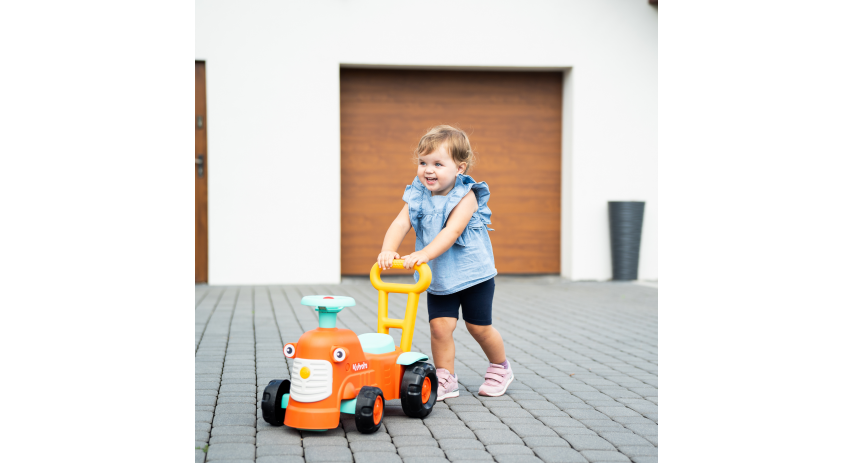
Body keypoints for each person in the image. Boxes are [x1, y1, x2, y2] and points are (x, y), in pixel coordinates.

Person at [376, 125, 513, 400]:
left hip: (474, 274)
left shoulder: (466, 195)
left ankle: (501, 367)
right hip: (440, 276)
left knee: (478, 326)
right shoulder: (417, 194)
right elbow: (401, 222)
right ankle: (446, 377)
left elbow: (451, 232)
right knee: (440, 328)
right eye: (423, 162)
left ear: (459, 168)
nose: (428, 169)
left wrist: (423, 254)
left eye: (438, 163)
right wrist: (388, 249)